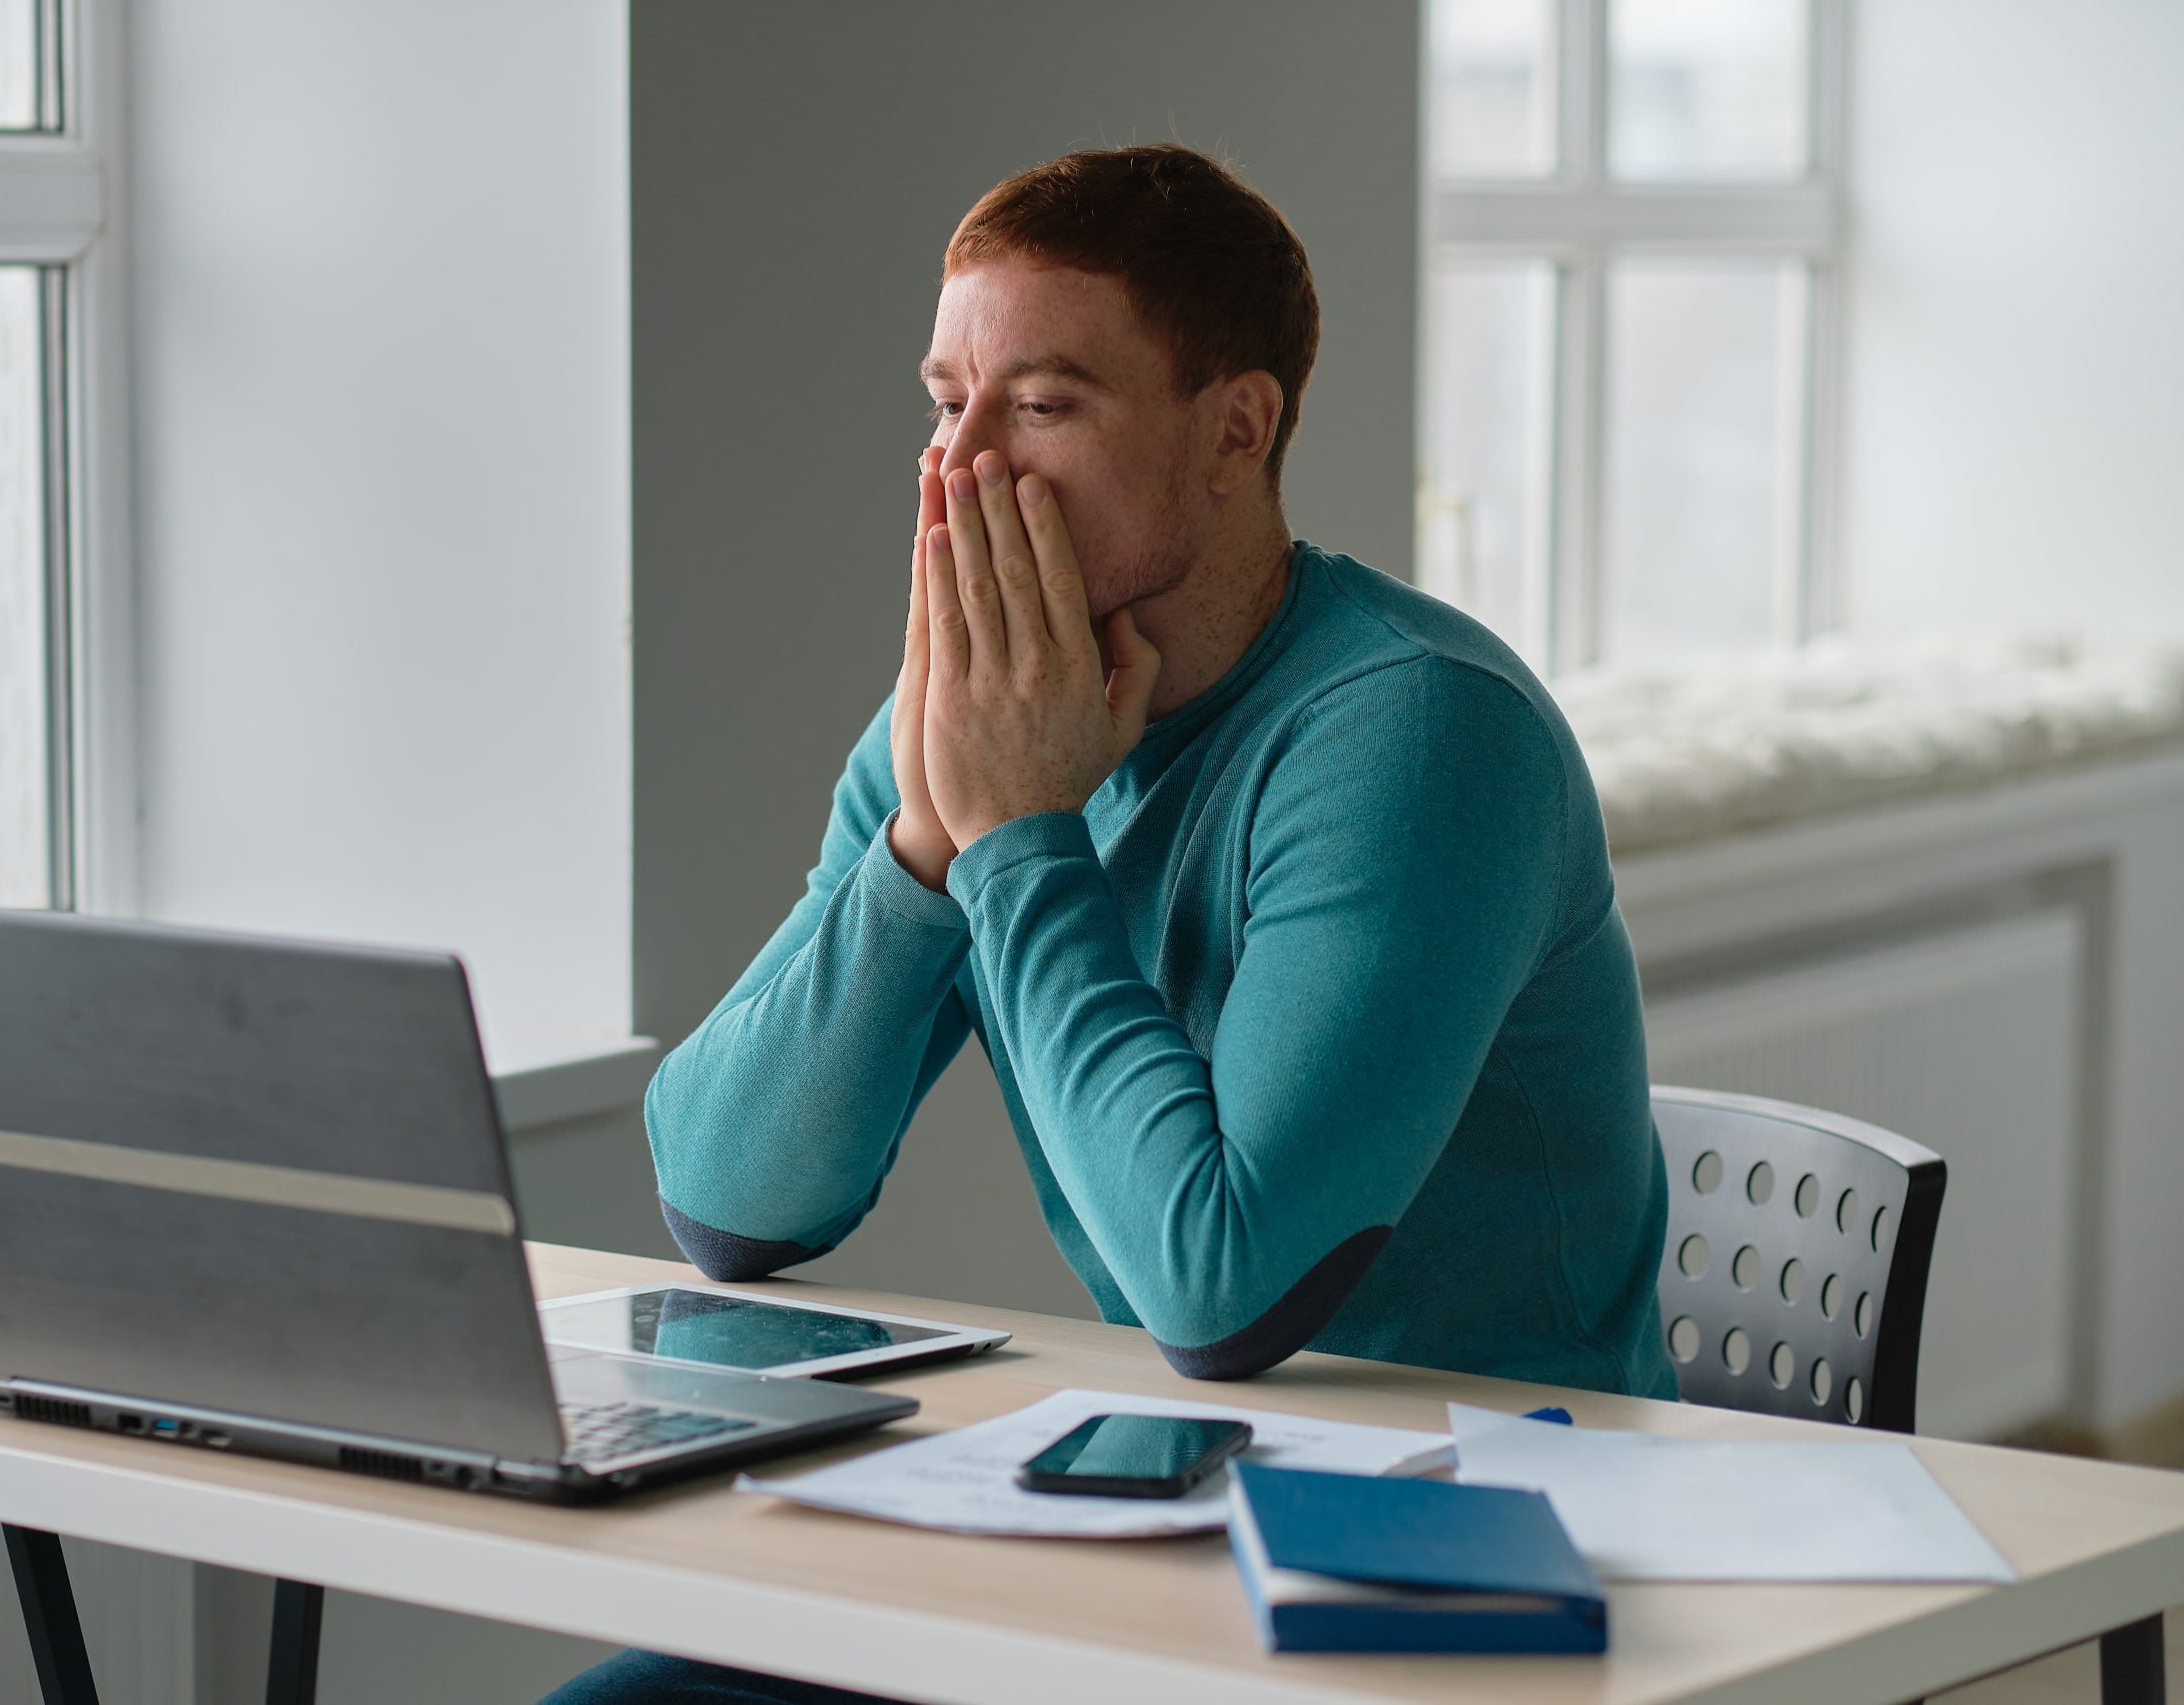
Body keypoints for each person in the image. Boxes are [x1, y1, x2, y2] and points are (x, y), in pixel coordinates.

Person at [544, 142, 1671, 1705]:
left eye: (1046, 406)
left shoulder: (1419, 736)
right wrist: (929, 842)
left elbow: (1224, 1292)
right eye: (948, 401)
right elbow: (729, 1199)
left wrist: (1018, 837)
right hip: (1172, 1505)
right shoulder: (984, 710)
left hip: (1474, 1561)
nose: (963, 468)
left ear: (1235, 429)